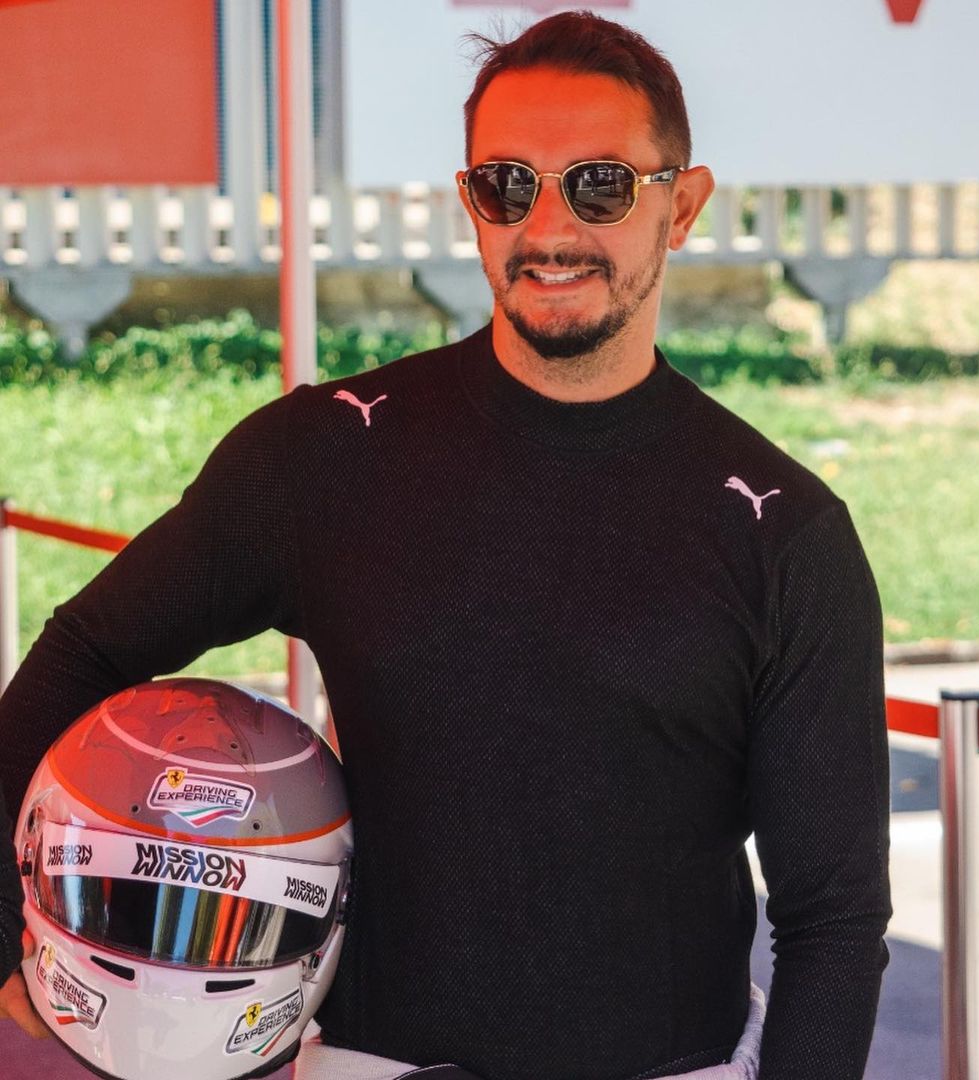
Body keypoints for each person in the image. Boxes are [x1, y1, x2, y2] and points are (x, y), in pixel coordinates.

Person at [0, 11, 891, 1080]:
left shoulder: (785, 533)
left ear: (683, 205)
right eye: (508, 185)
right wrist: (14, 932)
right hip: (370, 1062)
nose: (549, 227)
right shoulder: (330, 455)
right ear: (471, 202)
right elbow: (86, 649)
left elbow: (832, 917)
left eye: (600, 185)